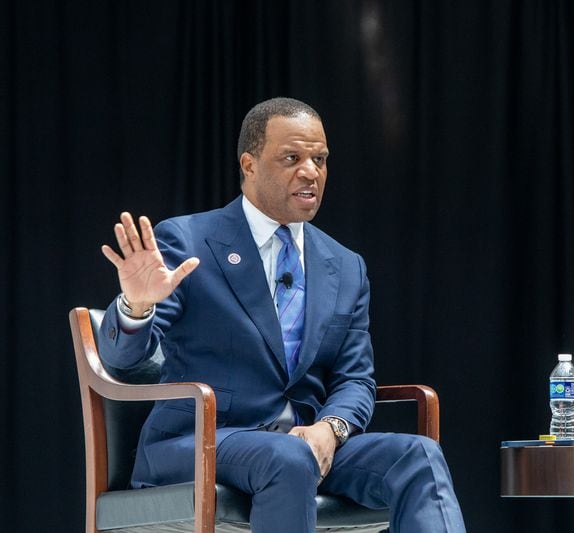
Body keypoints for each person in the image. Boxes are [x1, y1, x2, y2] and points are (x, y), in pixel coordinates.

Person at [97, 97, 466, 532]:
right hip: (200, 442)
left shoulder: (345, 265)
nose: (311, 172)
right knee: (289, 458)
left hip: (302, 443)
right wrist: (137, 307)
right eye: (292, 158)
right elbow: (122, 362)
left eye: (320, 159)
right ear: (249, 165)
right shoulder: (189, 240)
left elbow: (355, 378)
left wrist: (331, 429)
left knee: (418, 456)